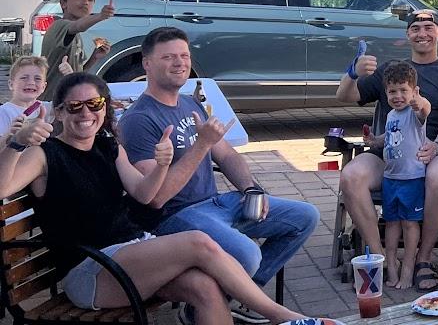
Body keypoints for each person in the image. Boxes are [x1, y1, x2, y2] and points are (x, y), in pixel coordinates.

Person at [0, 72, 299, 325]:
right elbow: (2, 189)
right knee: (197, 241)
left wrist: (162, 165)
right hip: (89, 270)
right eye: (75, 106)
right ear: (60, 112)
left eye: (94, 104)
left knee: (205, 287)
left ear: (105, 107)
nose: (86, 114)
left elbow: (144, 193)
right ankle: (283, 317)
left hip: (132, 254)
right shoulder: (45, 154)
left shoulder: (108, 146)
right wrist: (16, 143)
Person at [120, 27, 320, 324]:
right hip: (178, 218)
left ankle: (233, 298)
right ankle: (219, 302)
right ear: (147, 63)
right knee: (247, 255)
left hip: (218, 204)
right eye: (169, 57)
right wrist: (202, 144)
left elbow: (225, 154)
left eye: (184, 55)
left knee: (304, 216)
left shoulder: (189, 102)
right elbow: (157, 198)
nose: (180, 63)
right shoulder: (139, 120)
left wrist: (251, 188)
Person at [335, 8, 438, 294]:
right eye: (415, 28)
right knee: (351, 176)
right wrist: (352, 73)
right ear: (408, 34)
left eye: (428, 27)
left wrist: (437, 146)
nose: (422, 33)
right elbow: (345, 96)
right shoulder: (391, 70)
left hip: (431, 150)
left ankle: (422, 260)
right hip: (391, 151)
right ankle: (381, 258)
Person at [367, 61, 430, 290]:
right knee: (391, 222)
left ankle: (409, 267)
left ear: (414, 91)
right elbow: (390, 135)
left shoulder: (415, 113)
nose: (398, 96)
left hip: (411, 178)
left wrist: (419, 103)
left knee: (410, 224)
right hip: (390, 178)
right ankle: (391, 262)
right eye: (392, 91)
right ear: (386, 93)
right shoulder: (393, 114)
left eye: (404, 90)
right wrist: (375, 140)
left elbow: (425, 110)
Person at [41, 0, 115, 97]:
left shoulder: (76, 36)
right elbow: (78, 26)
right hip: (52, 100)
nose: (85, 2)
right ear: (63, 3)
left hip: (69, 100)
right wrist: (100, 16)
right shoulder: (59, 25)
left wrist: (94, 58)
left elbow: (77, 76)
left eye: (90, 0)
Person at [0, 55, 49, 134]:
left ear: (44, 87)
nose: (31, 82)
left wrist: (69, 74)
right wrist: (11, 135)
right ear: (11, 84)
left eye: (37, 79)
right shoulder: (3, 112)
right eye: (24, 78)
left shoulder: (46, 108)